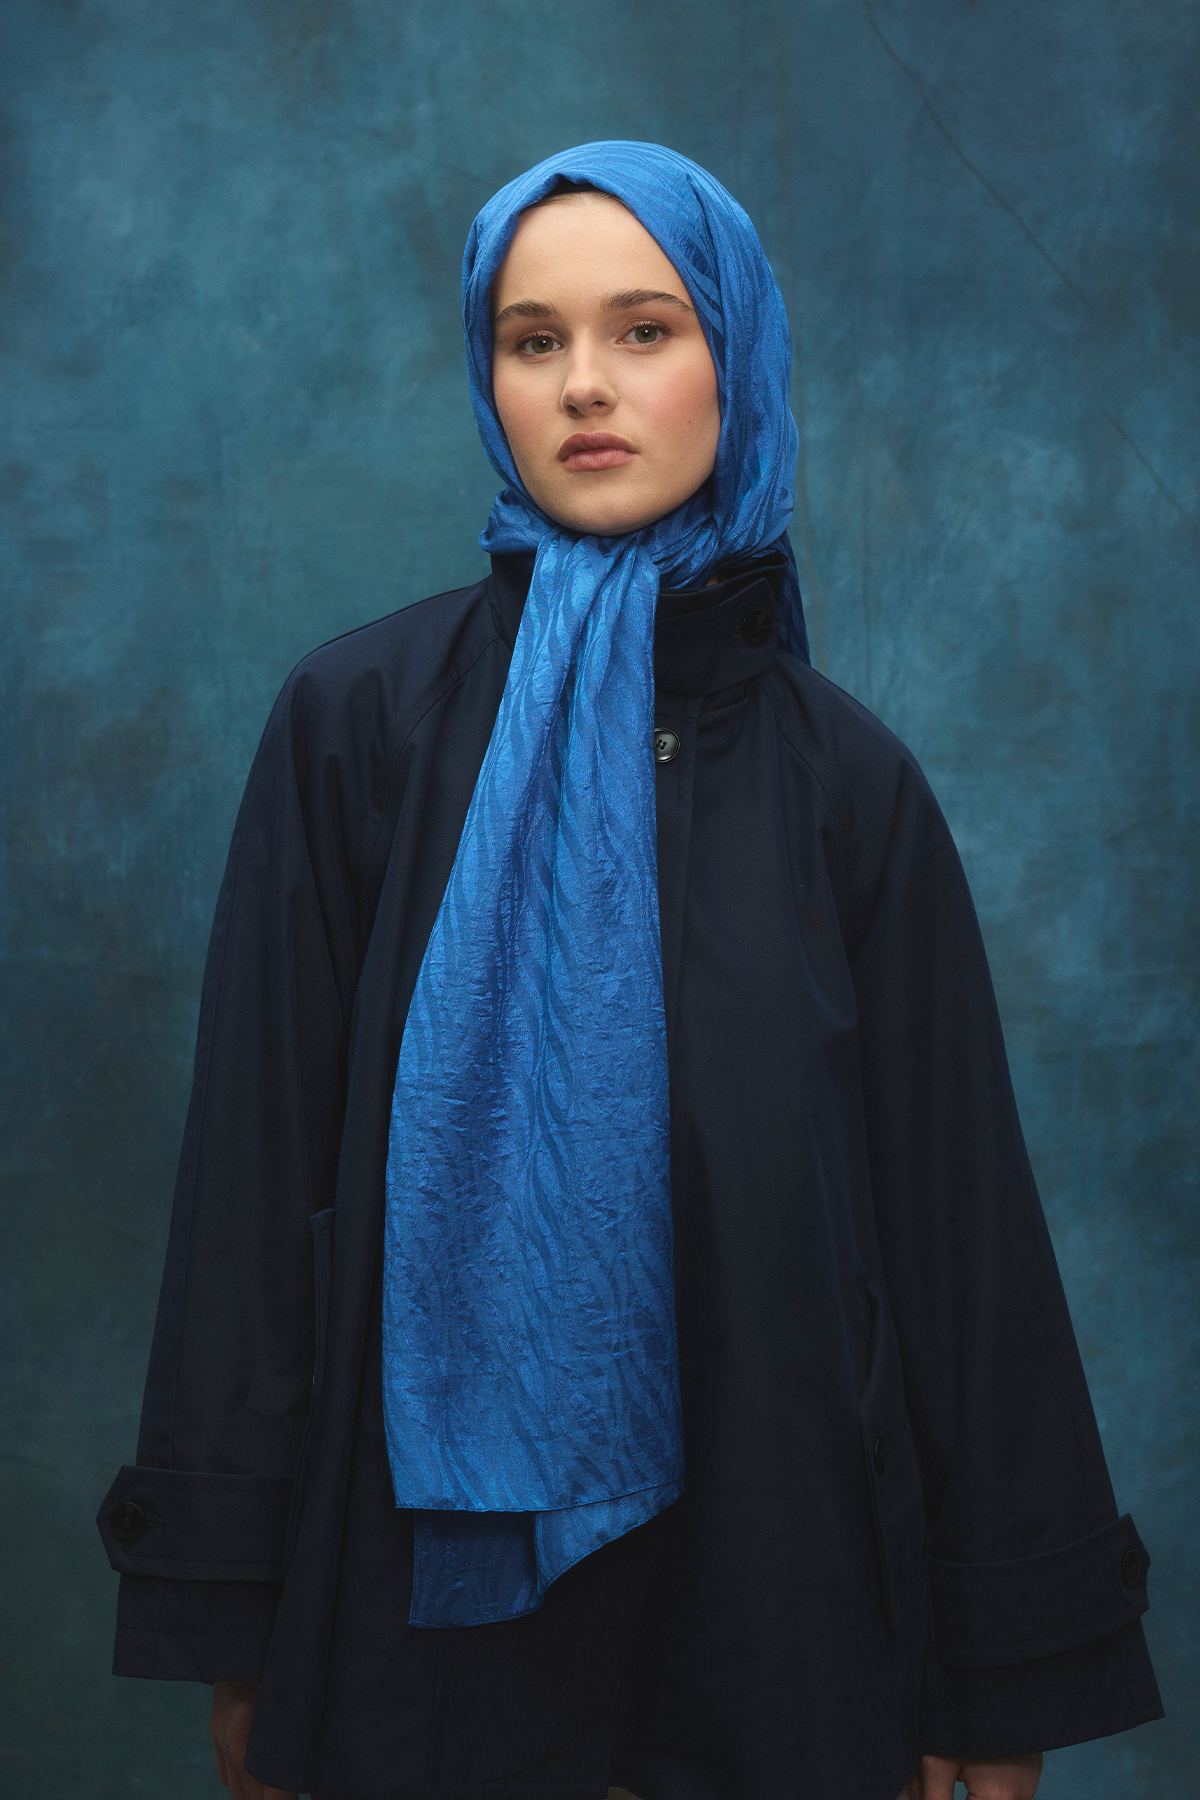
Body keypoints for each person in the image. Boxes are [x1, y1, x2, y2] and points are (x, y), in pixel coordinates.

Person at [97, 143, 1163, 1800]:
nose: (585, 384)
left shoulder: (848, 786)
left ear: (738, 358)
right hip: (414, 1613)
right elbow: (255, 1186)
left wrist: (999, 1674)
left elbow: (958, 1244)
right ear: (490, 379)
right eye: (534, 341)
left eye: (645, 330)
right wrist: (234, 1614)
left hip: (786, 1599)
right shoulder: (356, 731)